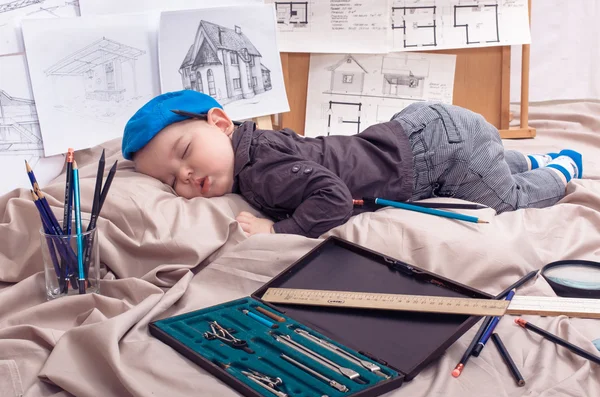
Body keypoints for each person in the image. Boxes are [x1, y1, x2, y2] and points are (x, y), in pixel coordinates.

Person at [122, 90, 583, 239]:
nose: (182, 176)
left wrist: (276, 231)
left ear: (221, 123)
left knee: (502, 198)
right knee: (489, 163)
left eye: (183, 153)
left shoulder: (262, 167)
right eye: (168, 179)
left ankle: (561, 169)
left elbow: (334, 199)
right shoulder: (254, 145)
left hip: (436, 149)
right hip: (419, 136)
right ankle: (529, 157)